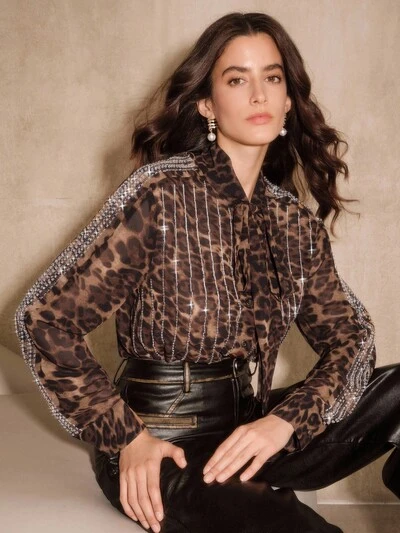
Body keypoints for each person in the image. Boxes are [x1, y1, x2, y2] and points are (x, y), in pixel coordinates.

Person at [15, 11, 400, 533]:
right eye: (237, 80)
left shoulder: (293, 223)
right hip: (164, 441)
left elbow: (353, 338)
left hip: (249, 430)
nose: (259, 95)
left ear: (289, 99)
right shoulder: (161, 195)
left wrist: (285, 421)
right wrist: (127, 438)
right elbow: (45, 319)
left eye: (272, 78)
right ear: (206, 104)